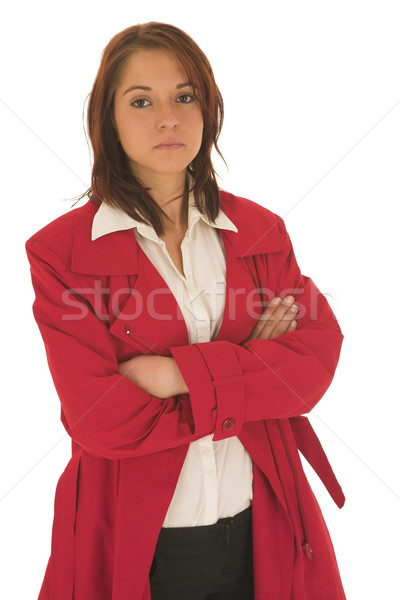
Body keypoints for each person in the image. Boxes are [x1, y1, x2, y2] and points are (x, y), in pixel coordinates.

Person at [25, 21, 347, 600]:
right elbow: (101, 419)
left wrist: (173, 375)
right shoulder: (60, 254)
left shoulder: (260, 231)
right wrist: (250, 368)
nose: (168, 118)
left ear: (209, 109)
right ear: (109, 120)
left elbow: (311, 369)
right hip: (140, 543)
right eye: (141, 100)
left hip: (262, 527)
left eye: (185, 96)